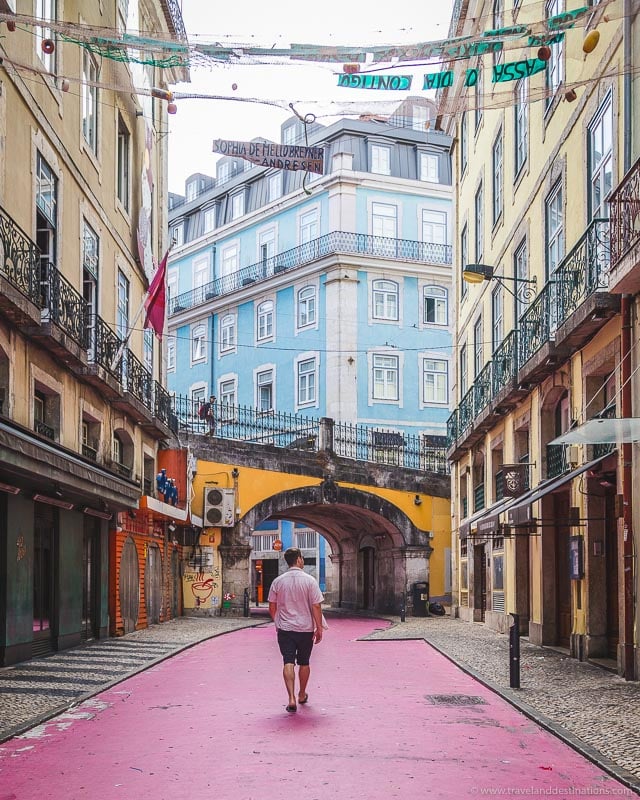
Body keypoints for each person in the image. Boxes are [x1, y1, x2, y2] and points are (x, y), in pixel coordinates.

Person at [268, 547, 324, 713]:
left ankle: (291, 697)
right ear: (299, 559)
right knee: (304, 662)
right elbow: (316, 606)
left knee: (288, 661)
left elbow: (272, 605)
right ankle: (301, 694)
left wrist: (277, 621)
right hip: (305, 628)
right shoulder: (310, 581)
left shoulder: (278, 581)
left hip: (285, 628)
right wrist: (319, 627)